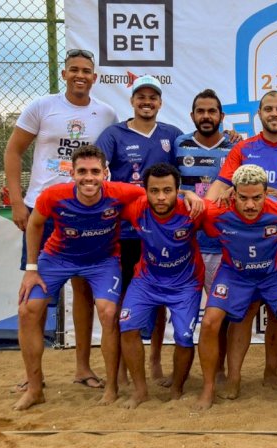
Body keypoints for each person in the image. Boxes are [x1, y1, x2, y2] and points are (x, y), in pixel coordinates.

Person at [4, 49, 117, 391]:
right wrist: (17, 201)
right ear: (64, 74)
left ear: (94, 78)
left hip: (86, 214)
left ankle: (83, 367)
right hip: (42, 209)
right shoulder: (41, 106)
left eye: (87, 71)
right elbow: (13, 151)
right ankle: (32, 375)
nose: (81, 75)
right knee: (35, 293)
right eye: (74, 70)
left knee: (83, 292)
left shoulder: (106, 113)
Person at [206, 91, 277, 391]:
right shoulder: (244, 148)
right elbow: (220, 185)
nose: (274, 113)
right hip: (245, 238)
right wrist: (208, 203)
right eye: (268, 108)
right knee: (244, 311)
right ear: (260, 113)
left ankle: (271, 372)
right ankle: (234, 377)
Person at [15, 146, 144, 410]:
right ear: (72, 173)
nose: (89, 177)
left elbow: (156, 195)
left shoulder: (121, 192)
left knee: (108, 313)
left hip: (102, 261)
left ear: (105, 173)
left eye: (95, 171)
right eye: (82, 171)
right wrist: (31, 268)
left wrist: (188, 194)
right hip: (57, 258)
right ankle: (35, 388)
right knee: (28, 309)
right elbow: (35, 224)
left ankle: (111, 387)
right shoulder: (53, 195)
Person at [194, 164, 277, 412]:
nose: (250, 206)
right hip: (234, 272)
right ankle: (213, 386)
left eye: (257, 198)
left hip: (274, 272)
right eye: (243, 198)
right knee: (209, 322)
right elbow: (188, 203)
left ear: (266, 193)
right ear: (233, 194)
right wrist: (187, 194)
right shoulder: (216, 213)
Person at [95, 74, 183, 385]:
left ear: (160, 102)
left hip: (158, 233)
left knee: (158, 297)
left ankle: (156, 359)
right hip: (123, 231)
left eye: (153, 97)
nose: (147, 101)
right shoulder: (113, 134)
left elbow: (196, 163)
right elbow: (95, 171)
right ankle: (120, 367)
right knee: (120, 300)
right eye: (141, 96)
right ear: (132, 101)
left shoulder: (172, 135)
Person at [119, 163, 205, 409]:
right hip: (147, 280)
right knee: (127, 326)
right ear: (144, 191)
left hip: (185, 283)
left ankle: (177, 389)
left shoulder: (192, 209)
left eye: (167, 190)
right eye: (154, 190)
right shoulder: (136, 208)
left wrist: (191, 194)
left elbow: (222, 213)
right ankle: (140, 391)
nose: (160, 197)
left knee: (185, 336)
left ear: (178, 190)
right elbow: (105, 197)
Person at [175, 89, 234, 383]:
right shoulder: (179, 144)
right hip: (186, 243)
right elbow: (163, 185)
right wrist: (184, 192)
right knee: (182, 309)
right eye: (201, 111)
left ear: (221, 117)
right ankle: (177, 372)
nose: (206, 116)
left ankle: (219, 369)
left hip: (220, 244)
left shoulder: (235, 147)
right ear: (193, 115)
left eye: (212, 112)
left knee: (218, 310)